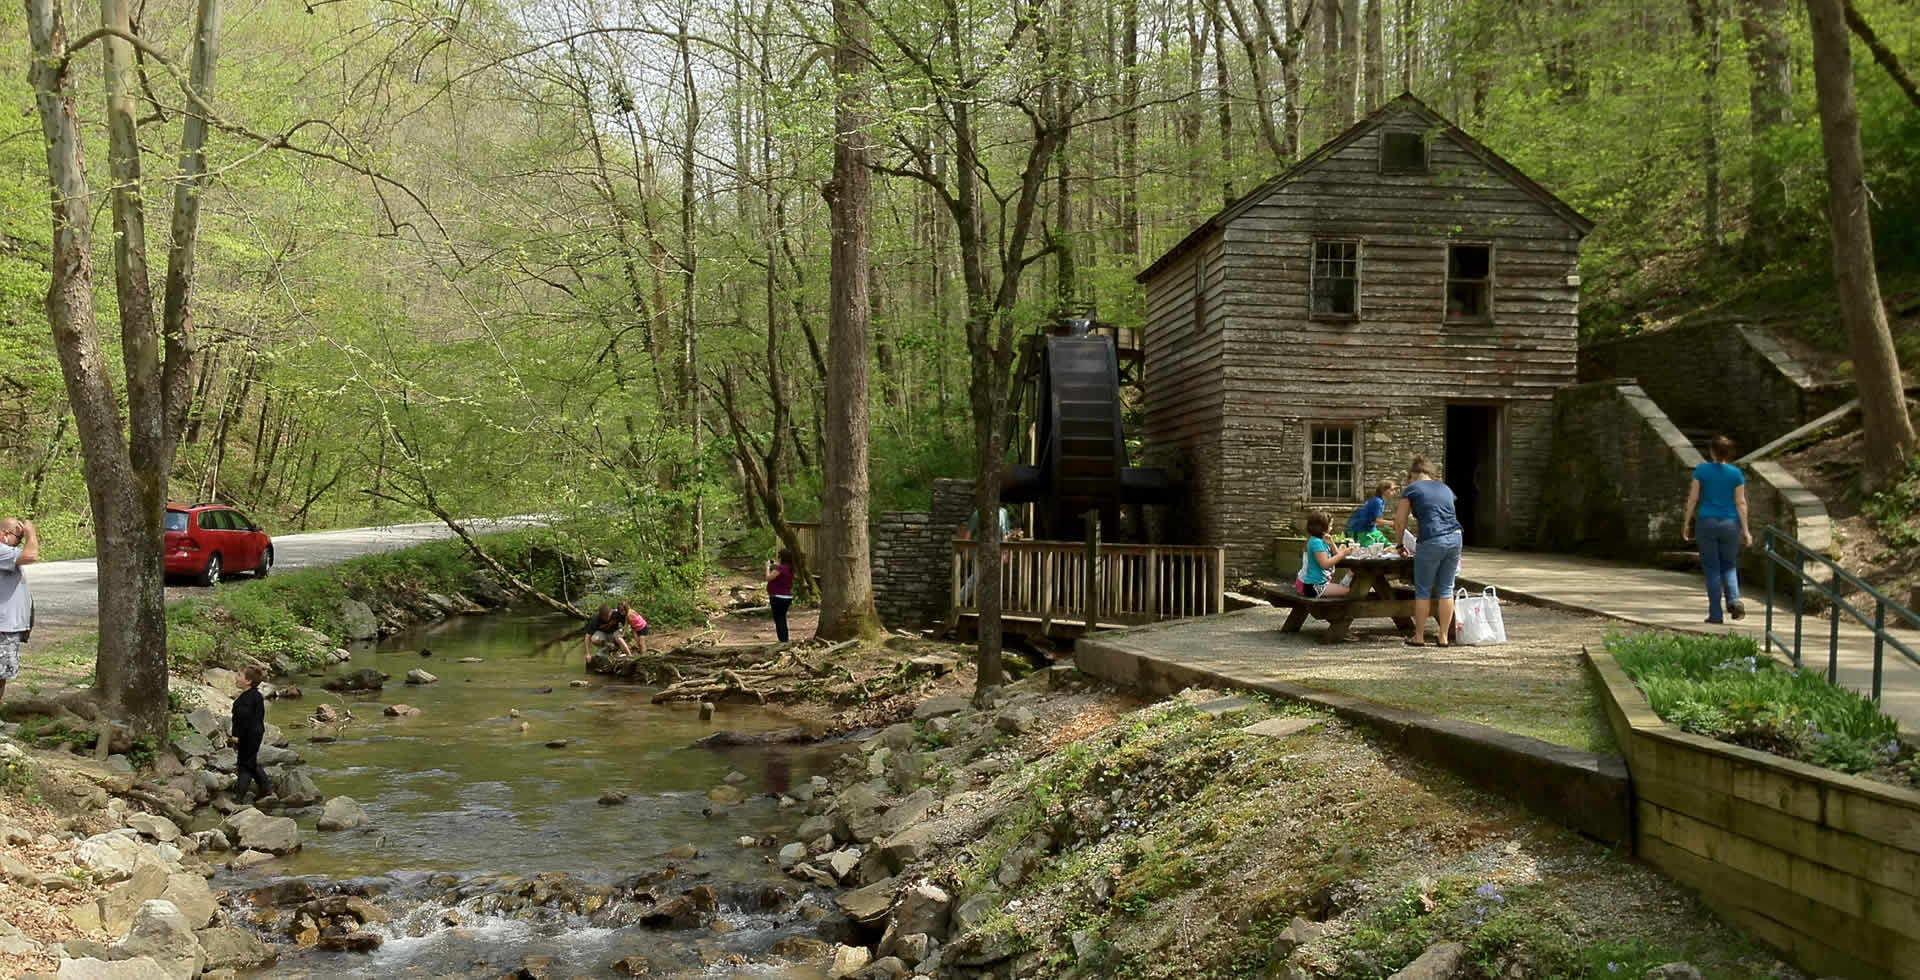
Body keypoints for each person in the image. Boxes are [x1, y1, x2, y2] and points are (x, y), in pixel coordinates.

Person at [1393, 456, 1463, 648]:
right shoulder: (1445, 488)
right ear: (1429, 473)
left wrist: (1399, 545)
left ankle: (1419, 636)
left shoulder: (1412, 489)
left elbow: (1399, 522)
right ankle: (1443, 637)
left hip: (1432, 538)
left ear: (1413, 475)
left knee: (1423, 590)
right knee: (1446, 589)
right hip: (1455, 537)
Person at [1683, 434, 1753, 624]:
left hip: (1707, 522)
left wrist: (1687, 522)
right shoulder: (1736, 474)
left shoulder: (1701, 471)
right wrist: (1746, 530)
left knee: (1712, 568)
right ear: (1728, 453)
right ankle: (1733, 599)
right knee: (1729, 565)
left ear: (1712, 451)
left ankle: (1716, 614)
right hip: (1730, 524)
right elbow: (1741, 503)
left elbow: (1693, 499)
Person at [0, 518, 37, 705]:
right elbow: (31, 555)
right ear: (3, 534)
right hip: (3, 626)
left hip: (8, 626)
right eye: (18, 537)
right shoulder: (1, 550)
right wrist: (31, 532)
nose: (20, 543)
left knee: (3, 673)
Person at [227, 665, 275, 806]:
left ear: (248, 681)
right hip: (254, 733)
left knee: (244, 765)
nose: (236, 677)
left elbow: (245, 719)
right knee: (250, 762)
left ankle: (239, 799)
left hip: (249, 735)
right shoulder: (253, 695)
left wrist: (237, 735)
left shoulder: (250, 698)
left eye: (239, 675)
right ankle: (265, 789)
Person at [1296, 512, 1355, 598]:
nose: (1331, 528)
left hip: (1318, 584)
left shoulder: (1321, 540)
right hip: (1314, 586)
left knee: (1350, 579)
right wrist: (1343, 553)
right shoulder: (1316, 542)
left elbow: (1336, 554)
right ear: (1322, 527)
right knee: (1351, 592)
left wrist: (1331, 543)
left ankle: (1345, 581)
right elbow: (1325, 564)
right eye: (1330, 525)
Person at [766, 549, 795, 643]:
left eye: (779, 556)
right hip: (787, 597)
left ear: (782, 557)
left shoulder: (780, 568)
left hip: (778, 597)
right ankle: (784, 639)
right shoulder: (789, 568)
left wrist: (767, 567)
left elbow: (768, 578)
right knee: (782, 618)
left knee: (779, 619)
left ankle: (783, 641)